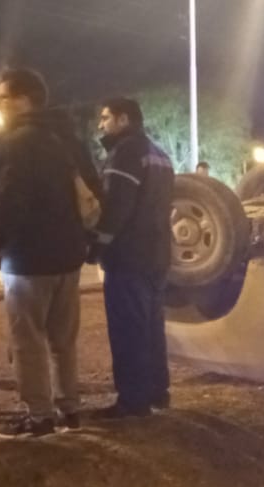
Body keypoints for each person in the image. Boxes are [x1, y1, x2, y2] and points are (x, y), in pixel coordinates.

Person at [0, 68, 101, 439]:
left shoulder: (19, 142)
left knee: (27, 340)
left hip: (29, 258)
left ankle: (39, 416)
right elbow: (94, 190)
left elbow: (12, 199)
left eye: (3, 98)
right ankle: (69, 409)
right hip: (69, 255)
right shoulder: (68, 138)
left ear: (23, 100)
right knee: (63, 341)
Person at [90, 97, 175, 418]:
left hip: (128, 256)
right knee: (152, 327)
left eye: (105, 118)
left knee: (128, 329)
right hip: (157, 254)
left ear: (124, 119)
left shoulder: (125, 152)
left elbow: (117, 206)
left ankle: (133, 400)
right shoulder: (160, 155)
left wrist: (97, 244)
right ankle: (157, 392)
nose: (101, 125)